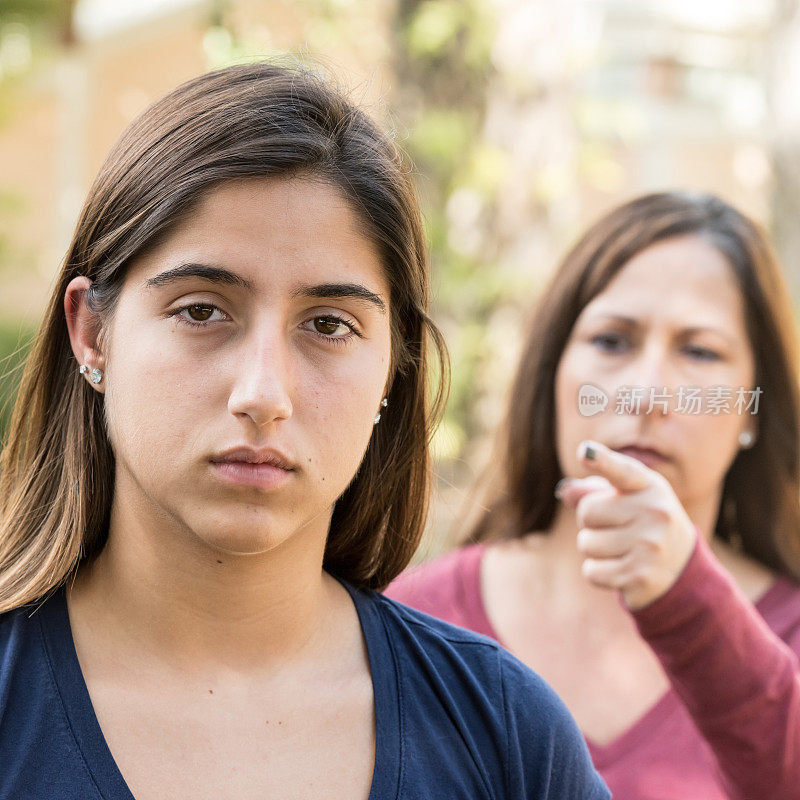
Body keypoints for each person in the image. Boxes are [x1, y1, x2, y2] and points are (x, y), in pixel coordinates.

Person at [0, 63, 610, 799]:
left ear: (392, 368)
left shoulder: (507, 735)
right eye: (202, 310)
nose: (264, 394)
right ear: (92, 332)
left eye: (328, 325)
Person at [386, 191, 800, 800]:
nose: (646, 393)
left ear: (752, 412)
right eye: (612, 341)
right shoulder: (416, 617)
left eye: (699, 351)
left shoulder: (787, 632)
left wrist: (688, 597)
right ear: (551, 373)